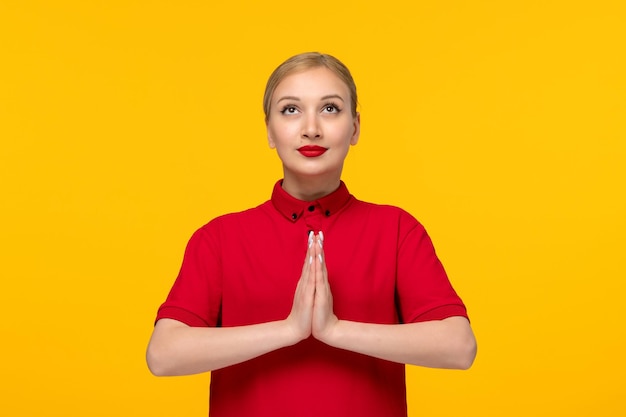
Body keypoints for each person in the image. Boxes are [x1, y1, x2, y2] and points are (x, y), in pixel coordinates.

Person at [146, 52, 477, 417]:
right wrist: (289, 330)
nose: (311, 128)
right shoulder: (219, 237)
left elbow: (458, 347)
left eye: (330, 109)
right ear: (269, 131)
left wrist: (334, 330)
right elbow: (163, 354)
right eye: (290, 110)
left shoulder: (397, 230)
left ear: (355, 128)